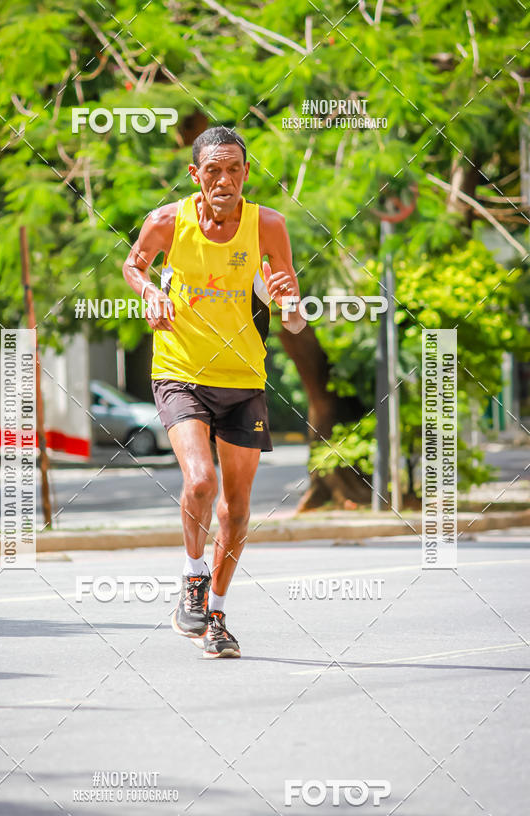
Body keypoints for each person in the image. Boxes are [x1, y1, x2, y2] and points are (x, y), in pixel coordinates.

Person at [123, 126, 305, 658]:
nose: (224, 180)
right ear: (195, 174)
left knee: (237, 510)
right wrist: (149, 292)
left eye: (233, 170)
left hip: (244, 380)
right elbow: (133, 265)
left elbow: (293, 321)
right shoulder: (167, 221)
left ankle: (217, 616)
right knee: (201, 481)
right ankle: (193, 575)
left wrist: (289, 304)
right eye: (213, 170)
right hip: (180, 371)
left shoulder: (268, 225)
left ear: (246, 173)